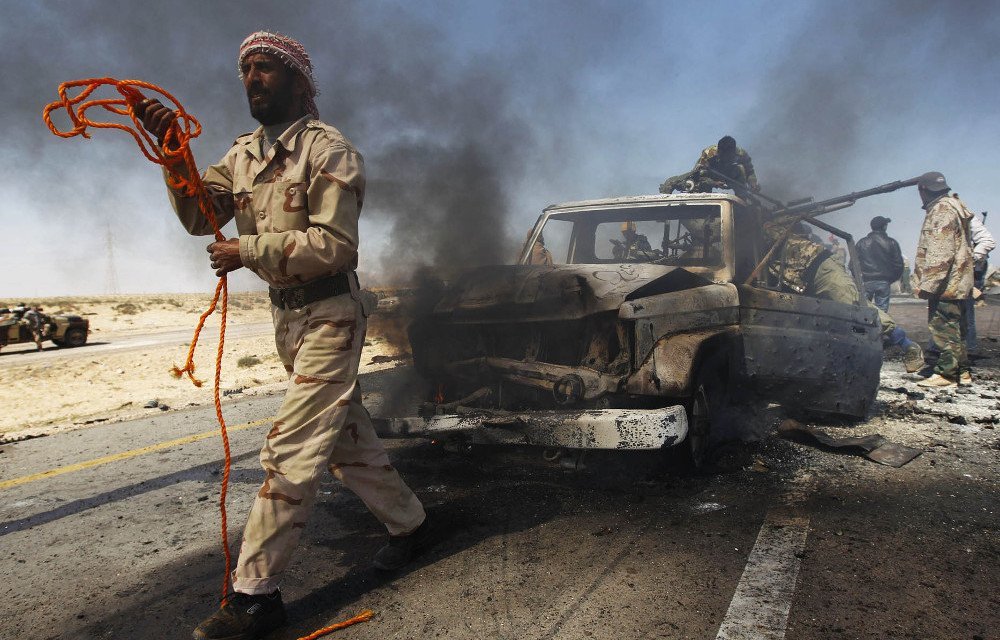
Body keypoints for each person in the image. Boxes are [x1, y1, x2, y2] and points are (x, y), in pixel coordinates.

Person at [135, 31, 428, 640]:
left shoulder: (329, 150)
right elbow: (199, 216)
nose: (252, 79)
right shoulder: (242, 154)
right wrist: (172, 154)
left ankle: (255, 597)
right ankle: (412, 525)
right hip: (286, 318)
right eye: (245, 70)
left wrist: (248, 249)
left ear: (298, 81)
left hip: (331, 314)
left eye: (266, 68)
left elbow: (335, 244)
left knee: (291, 449)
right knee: (344, 440)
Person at [762, 211, 924, 372]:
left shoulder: (770, 224)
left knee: (857, 307)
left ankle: (907, 346)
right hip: (803, 278)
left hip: (820, 268)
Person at [911, 172, 975, 388]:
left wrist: (929, 285)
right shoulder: (954, 206)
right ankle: (962, 372)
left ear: (923, 190)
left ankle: (946, 374)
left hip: (946, 284)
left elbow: (940, 252)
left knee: (943, 328)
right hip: (958, 281)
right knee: (957, 329)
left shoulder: (941, 210)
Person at [856, 216, 904, 312]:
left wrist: (859, 278)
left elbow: (852, 264)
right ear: (884, 226)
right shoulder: (892, 242)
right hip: (884, 282)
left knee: (863, 311)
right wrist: (890, 280)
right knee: (882, 313)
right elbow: (899, 265)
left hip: (865, 281)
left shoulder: (861, 242)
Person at [966, 212, 995, 350]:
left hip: (974, 275)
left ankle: (970, 345)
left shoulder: (979, 253)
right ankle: (970, 345)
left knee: (967, 311)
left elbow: (979, 269)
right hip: (974, 274)